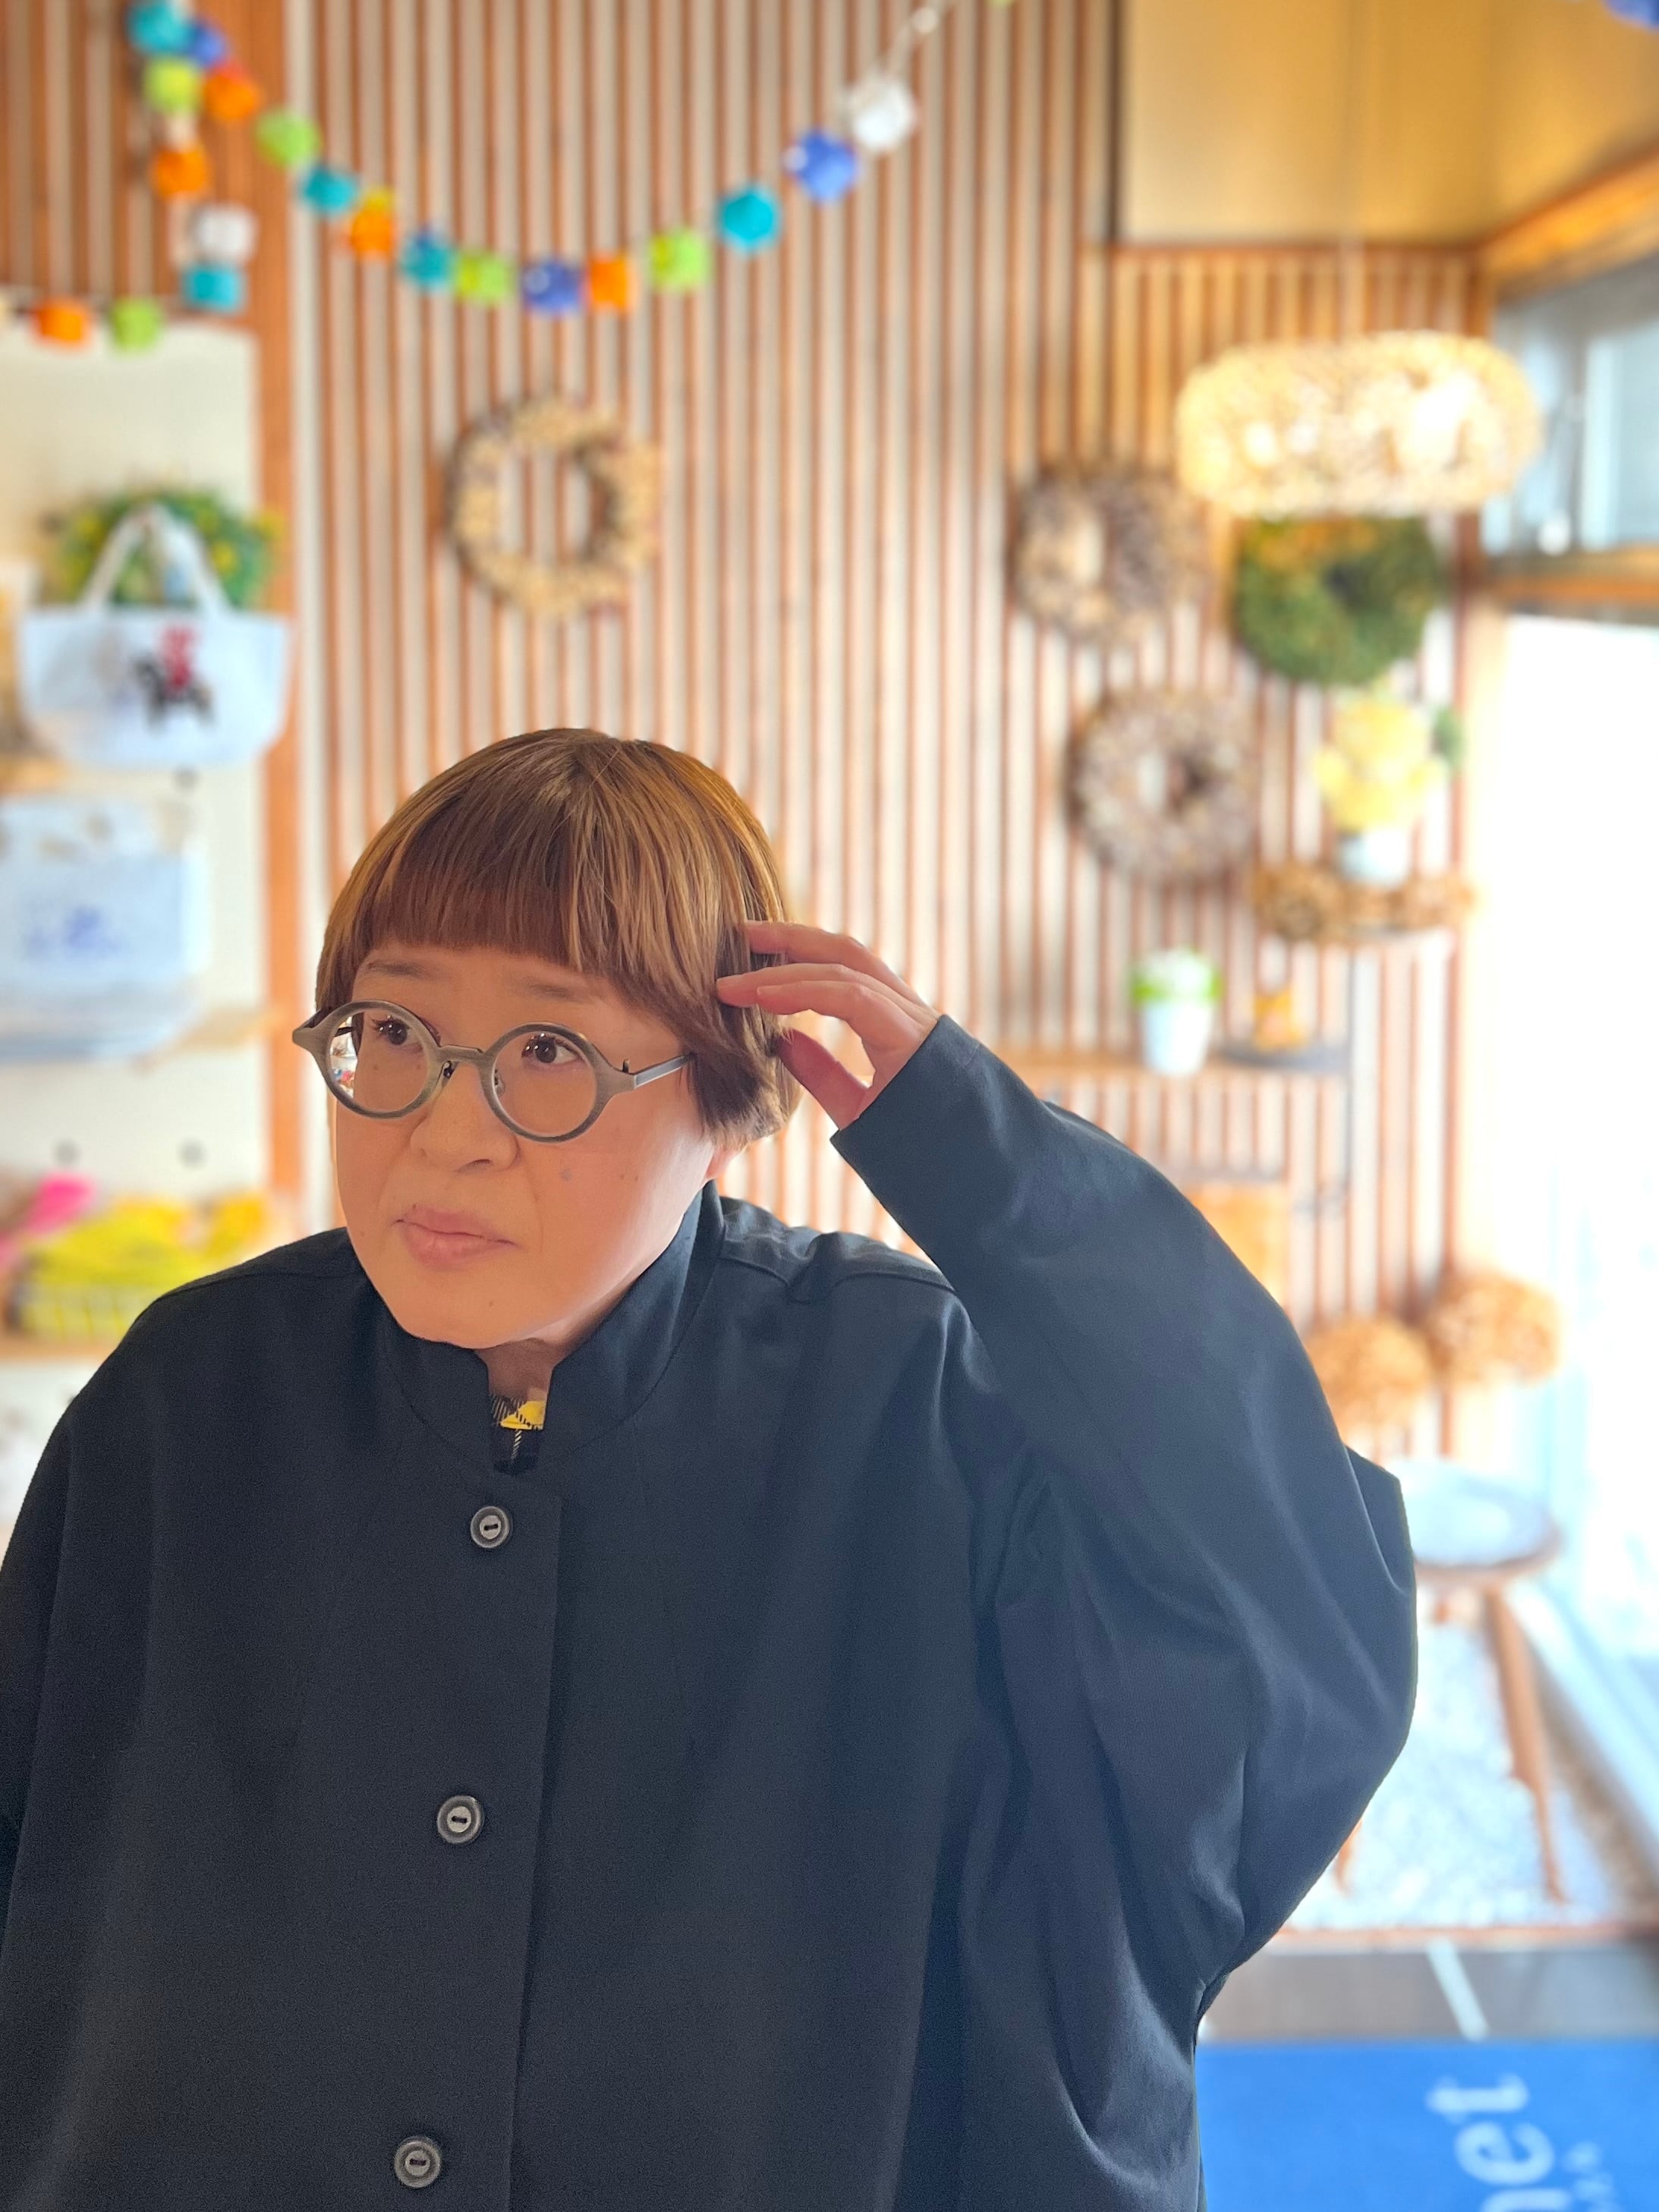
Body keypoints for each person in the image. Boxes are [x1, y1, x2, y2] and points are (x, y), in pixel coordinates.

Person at [0, 729, 1415, 2210]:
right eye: (395, 1031)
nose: (444, 1131)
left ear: (733, 1102)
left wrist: (983, 1162)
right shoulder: (192, 1395)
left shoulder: (917, 1406)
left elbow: (1285, 1642)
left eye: (548, 1052)